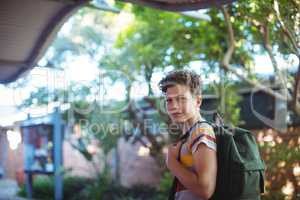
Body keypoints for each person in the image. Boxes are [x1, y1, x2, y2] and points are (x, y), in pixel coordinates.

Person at [158, 70, 217, 200]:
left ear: (198, 101)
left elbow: (205, 190)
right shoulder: (190, 135)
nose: (174, 106)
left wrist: (172, 162)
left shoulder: (201, 132)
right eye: (169, 100)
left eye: (181, 99)